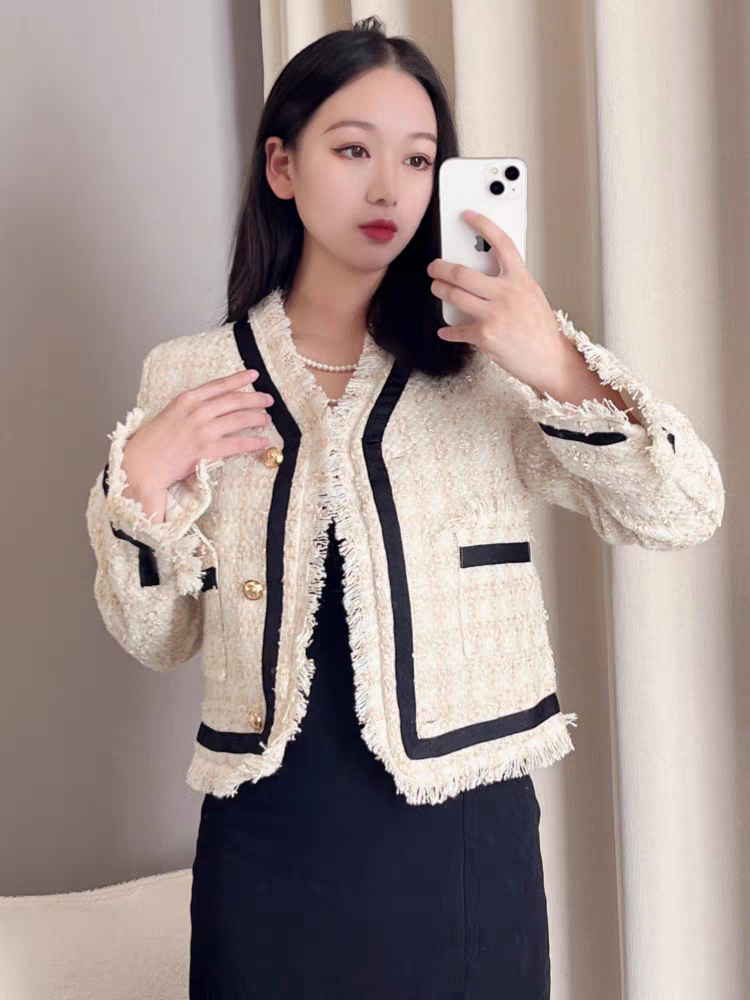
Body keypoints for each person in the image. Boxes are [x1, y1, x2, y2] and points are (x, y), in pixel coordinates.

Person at [85, 14, 724, 1000]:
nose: (390, 188)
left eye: (418, 159)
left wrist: (555, 361)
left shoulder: (489, 363)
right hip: (268, 842)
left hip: (460, 836)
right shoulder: (190, 373)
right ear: (283, 166)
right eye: (353, 150)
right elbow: (157, 636)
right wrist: (140, 483)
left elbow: (683, 510)